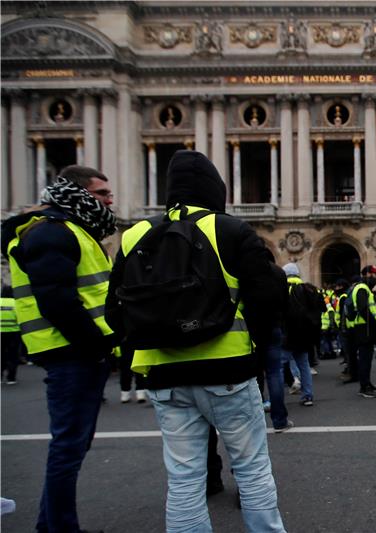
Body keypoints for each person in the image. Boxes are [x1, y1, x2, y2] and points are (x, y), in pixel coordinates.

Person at [106, 150, 287, 532]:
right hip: (228, 371)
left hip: (163, 376)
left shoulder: (134, 234)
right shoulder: (229, 229)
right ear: (213, 189)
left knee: (184, 479)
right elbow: (269, 297)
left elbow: (113, 313)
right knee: (252, 470)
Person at [1, 165, 118, 533]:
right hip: (70, 352)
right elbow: (57, 301)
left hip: (75, 352)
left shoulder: (71, 232)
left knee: (73, 445)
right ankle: (61, 528)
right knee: (68, 447)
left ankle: (49, 524)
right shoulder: (53, 233)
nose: (109, 200)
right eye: (101, 194)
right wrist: (97, 345)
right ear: (78, 194)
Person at [282, 262, 323, 407]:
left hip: (287, 335)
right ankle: (308, 396)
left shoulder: (283, 288)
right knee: (304, 365)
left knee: (279, 366)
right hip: (305, 335)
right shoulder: (309, 289)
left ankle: (278, 399)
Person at [347, 265, 376, 398]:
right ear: (366, 274)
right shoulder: (362, 288)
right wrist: (374, 324)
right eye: (373, 274)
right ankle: (364, 387)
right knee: (365, 359)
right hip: (364, 328)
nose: (375, 277)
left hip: (363, 328)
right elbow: (363, 309)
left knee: (366, 358)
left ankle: (367, 382)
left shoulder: (363, 287)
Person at [1, 285, 21, 384]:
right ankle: (11, 378)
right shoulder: (15, 303)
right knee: (12, 355)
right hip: (13, 332)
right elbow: (20, 318)